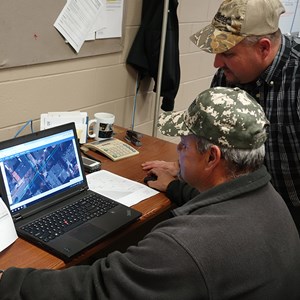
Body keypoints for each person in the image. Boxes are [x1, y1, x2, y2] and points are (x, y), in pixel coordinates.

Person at [2, 87, 300, 299]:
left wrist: (10, 281)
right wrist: (175, 186)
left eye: (183, 145)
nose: (178, 153)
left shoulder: (183, 246)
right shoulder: (272, 202)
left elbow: (95, 288)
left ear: (212, 158)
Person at [142, 0, 300, 231]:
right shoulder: (228, 76)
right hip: (246, 207)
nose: (217, 63)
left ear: (264, 48)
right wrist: (186, 168)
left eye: (227, 53)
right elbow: (214, 134)